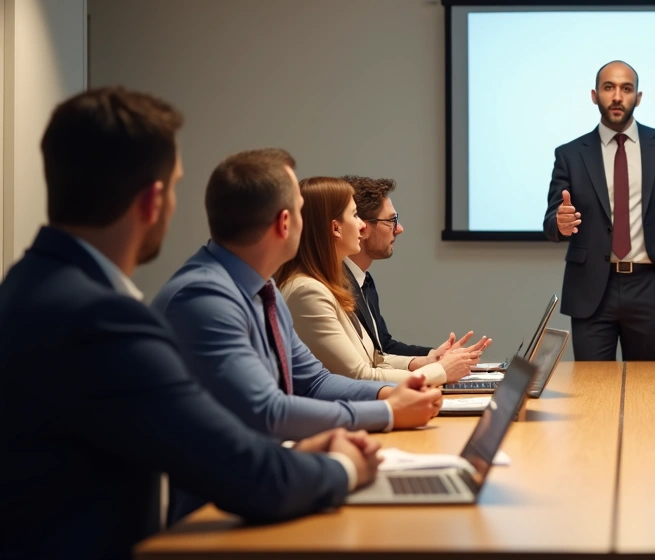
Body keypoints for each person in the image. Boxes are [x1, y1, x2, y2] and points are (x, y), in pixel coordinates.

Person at [0, 88, 379, 559]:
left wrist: (292, 456)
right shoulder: (103, 320)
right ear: (152, 201)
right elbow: (245, 476)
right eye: (176, 186)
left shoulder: (26, 287)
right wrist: (344, 466)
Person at [154, 151, 442, 443]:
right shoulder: (204, 300)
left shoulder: (264, 291)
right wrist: (388, 412)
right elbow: (269, 412)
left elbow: (316, 381)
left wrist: (390, 395)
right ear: (284, 223)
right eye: (301, 211)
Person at [543, 60, 655, 361]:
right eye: (609, 87)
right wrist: (560, 224)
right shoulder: (570, 153)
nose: (617, 96)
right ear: (594, 95)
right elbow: (552, 219)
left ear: (638, 97)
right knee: (591, 388)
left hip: (650, 286)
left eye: (626, 89)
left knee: (648, 389)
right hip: (590, 288)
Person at [274, 177, 466, 386]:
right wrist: (439, 372)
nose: (361, 225)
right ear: (335, 228)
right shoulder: (308, 291)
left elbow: (374, 358)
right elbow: (358, 376)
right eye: (355, 215)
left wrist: (428, 363)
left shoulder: (330, 284)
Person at [342, 175, 489, 382]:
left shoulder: (363, 280)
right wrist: (438, 370)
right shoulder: (325, 287)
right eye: (391, 220)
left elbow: (381, 348)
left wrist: (432, 358)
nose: (399, 229)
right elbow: (361, 372)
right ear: (362, 227)